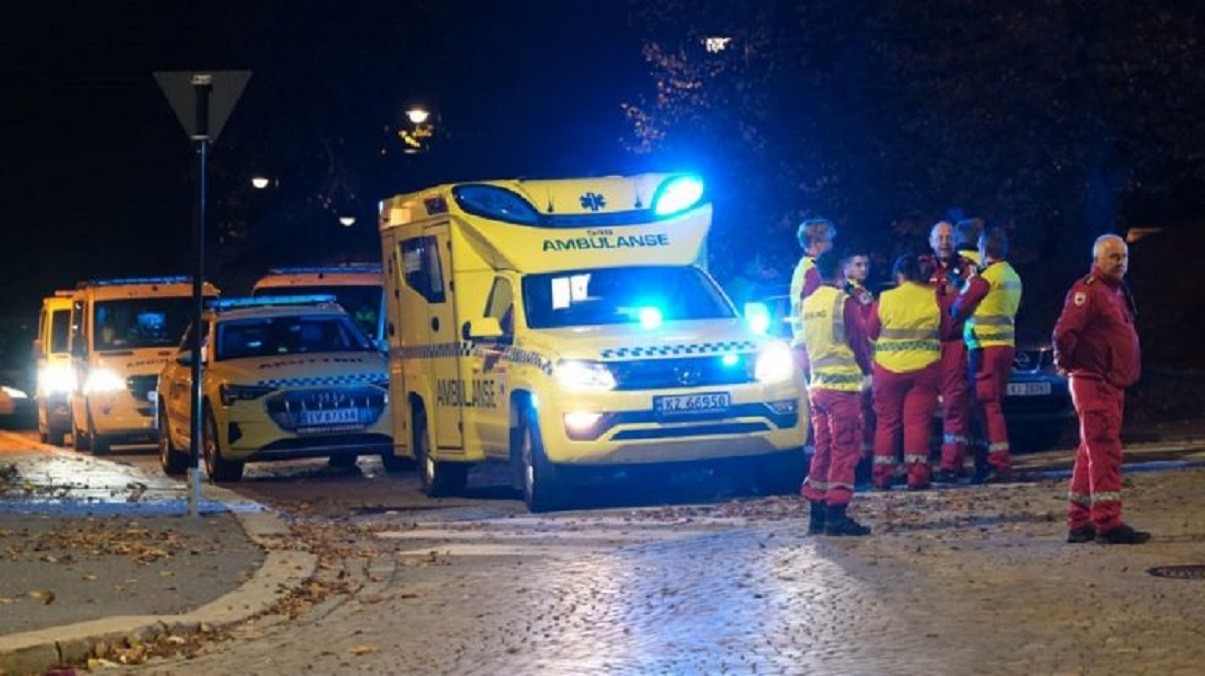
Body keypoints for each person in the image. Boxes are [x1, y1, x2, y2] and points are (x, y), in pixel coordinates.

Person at [1053, 234, 1148, 545]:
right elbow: (1064, 333)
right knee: (1105, 450)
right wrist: (1068, 364)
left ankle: (1080, 520)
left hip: (1109, 382)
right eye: (1113, 257)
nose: (1120, 262)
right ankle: (1108, 523)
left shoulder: (1115, 292)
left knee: (1090, 450)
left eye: (1124, 257)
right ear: (1097, 259)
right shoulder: (1088, 292)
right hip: (1094, 382)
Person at [799, 252, 873, 536]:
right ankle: (836, 515)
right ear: (841, 271)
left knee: (823, 448)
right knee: (845, 448)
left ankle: (816, 514)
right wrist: (867, 371)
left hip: (818, 386)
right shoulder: (843, 302)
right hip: (842, 389)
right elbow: (859, 341)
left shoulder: (809, 303)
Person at [951, 226, 1022, 483]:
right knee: (994, 404)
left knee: (987, 405)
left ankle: (997, 463)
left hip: (984, 348)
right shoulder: (1012, 274)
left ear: (982, 250)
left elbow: (957, 309)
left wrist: (966, 284)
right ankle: (992, 459)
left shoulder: (985, 279)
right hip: (1005, 346)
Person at [867, 254, 942, 490]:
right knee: (917, 423)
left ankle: (882, 477)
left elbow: (871, 331)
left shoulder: (885, 299)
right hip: (924, 368)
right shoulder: (933, 297)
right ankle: (917, 476)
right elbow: (946, 328)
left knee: (887, 423)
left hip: (888, 370)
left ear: (898, 274)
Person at [926, 221, 975, 482]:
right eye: (940, 237)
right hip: (926, 345)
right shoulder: (922, 268)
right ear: (931, 241)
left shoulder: (966, 268)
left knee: (954, 406)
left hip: (955, 344)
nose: (944, 241)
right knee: (921, 407)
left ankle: (951, 465)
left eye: (949, 237)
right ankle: (918, 467)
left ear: (956, 240)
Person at [842, 250, 876, 482]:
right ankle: (861, 464)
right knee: (861, 415)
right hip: (856, 359)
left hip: (866, 356)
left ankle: (865, 460)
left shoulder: (862, 292)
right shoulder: (849, 294)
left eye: (866, 264)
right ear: (846, 268)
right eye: (858, 264)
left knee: (867, 414)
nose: (863, 269)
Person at [789, 218, 836, 372]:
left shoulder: (803, 266)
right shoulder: (813, 270)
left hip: (804, 340)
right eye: (828, 240)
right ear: (816, 243)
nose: (831, 245)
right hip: (813, 344)